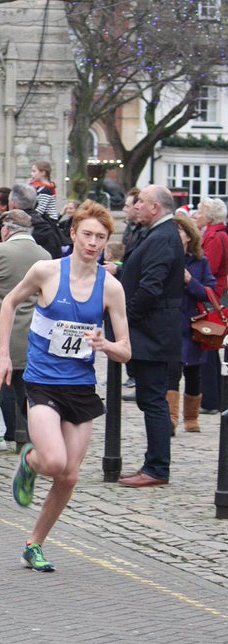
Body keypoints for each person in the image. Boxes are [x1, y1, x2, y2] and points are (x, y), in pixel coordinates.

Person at [0, 202, 131, 571]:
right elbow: (10, 302)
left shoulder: (111, 288)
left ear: (107, 243)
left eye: (100, 238)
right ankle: (30, 459)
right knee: (54, 461)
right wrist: (4, 355)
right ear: (72, 234)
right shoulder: (46, 271)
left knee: (69, 475)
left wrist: (106, 346)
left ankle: (34, 543)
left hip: (80, 387)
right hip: (41, 383)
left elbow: (125, 350)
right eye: (86, 234)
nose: (92, 243)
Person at [118, 185, 186, 487]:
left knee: (154, 400)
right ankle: (153, 463)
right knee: (150, 399)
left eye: (141, 203)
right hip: (150, 332)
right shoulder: (156, 233)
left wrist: (124, 318)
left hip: (152, 333)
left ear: (155, 208)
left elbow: (150, 288)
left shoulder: (162, 237)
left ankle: (157, 467)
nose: (136, 207)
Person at [0, 209, 50, 473]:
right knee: (31, 404)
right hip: (31, 341)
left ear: (5, 230)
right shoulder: (45, 256)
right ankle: (37, 454)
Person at [166, 213, 217, 434]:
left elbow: (209, 292)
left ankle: (191, 418)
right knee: (172, 370)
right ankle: (170, 418)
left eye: (180, 232)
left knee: (194, 372)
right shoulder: (166, 257)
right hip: (172, 322)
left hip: (194, 324)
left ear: (189, 236)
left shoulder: (200, 261)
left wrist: (190, 281)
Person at [195, 197, 228, 414]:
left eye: (199, 212)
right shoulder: (214, 234)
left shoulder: (215, 237)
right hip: (215, 293)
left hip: (213, 295)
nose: (196, 216)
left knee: (208, 343)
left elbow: (210, 268)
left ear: (208, 215)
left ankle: (211, 399)